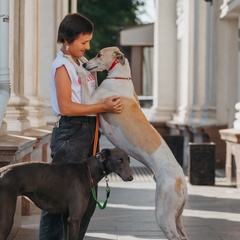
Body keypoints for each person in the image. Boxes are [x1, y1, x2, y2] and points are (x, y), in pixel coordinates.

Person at [39, 13, 123, 240]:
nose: (88, 47)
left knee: (86, 202)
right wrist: (101, 105)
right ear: (67, 40)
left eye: (88, 41)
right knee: (58, 201)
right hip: (70, 133)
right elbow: (66, 107)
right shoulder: (62, 66)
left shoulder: (81, 65)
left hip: (88, 132)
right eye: (83, 42)